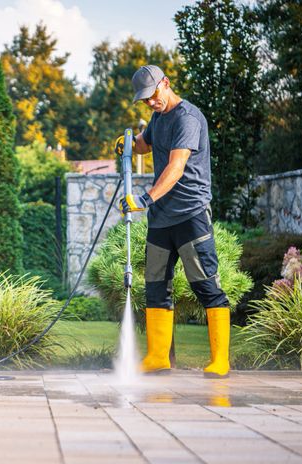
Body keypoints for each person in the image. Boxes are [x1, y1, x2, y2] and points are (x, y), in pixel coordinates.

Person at [114, 65, 230, 379]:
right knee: (155, 287)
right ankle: (157, 357)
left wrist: (145, 199)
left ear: (165, 84)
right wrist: (128, 144)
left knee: (206, 285)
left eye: (153, 96)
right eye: (145, 100)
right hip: (162, 220)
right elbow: (144, 143)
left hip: (190, 214)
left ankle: (221, 360)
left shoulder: (187, 118)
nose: (150, 103)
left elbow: (177, 167)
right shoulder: (159, 118)